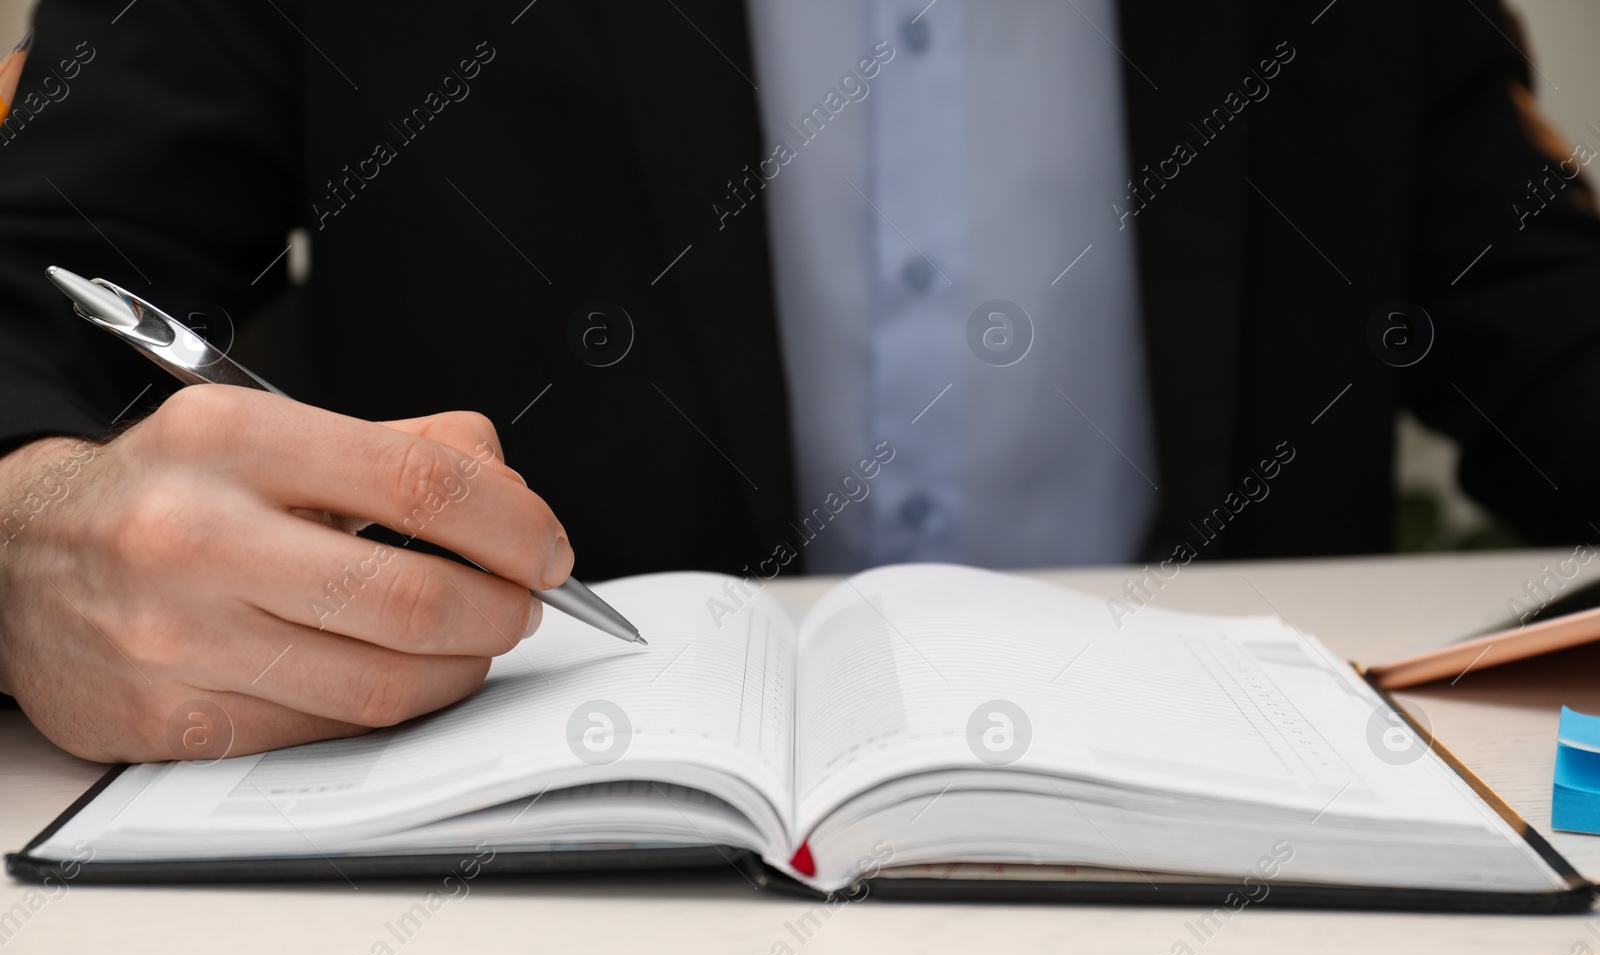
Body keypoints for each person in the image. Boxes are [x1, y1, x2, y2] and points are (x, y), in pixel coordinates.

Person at [0, 0, 1596, 763]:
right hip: (511, 933)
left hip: (1262, 937)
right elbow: (40, 281)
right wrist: (25, 541)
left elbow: (1547, 328)